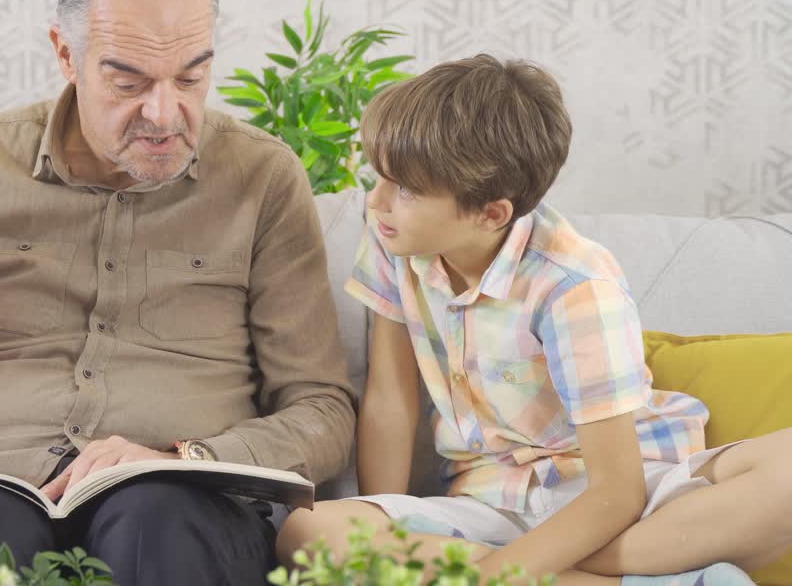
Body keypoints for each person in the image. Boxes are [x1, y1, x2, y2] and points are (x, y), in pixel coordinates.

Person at [0, 0, 356, 585]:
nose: (165, 113)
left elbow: (322, 411)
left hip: (185, 514)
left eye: (191, 76)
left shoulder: (263, 178)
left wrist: (185, 457)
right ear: (65, 54)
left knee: (150, 509)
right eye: (128, 81)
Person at [276, 54, 791, 586]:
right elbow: (390, 398)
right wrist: (381, 520)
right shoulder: (395, 241)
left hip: (622, 500)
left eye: (405, 189)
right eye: (378, 178)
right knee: (309, 532)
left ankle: (547, 571)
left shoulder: (574, 285)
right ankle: (665, 579)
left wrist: (492, 574)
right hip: (491, 506)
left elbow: (618, 492)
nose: (376, 201)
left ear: (492, 214)